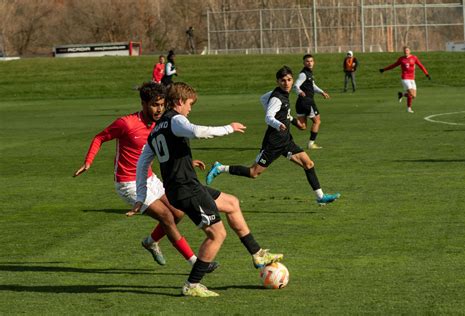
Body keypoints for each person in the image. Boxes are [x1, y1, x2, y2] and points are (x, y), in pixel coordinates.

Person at [133, 82, 283, 297]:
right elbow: (197, 131)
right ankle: (192, 284)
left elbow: (142, 163)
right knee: (216, 234)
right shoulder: (176, 120)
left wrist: (140, 195)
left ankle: (257, 254)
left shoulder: (156, 129)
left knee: (232, 203)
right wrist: (228, 128)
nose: (190, 109)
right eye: (189, 104)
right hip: (186, 190)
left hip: (184, 187)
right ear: (178, 102)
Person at [73, 82, 217, 272]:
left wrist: (186, 163)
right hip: (128, 183)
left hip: (150, 178)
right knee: (166, 217)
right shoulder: (126, 123)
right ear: (143, 103)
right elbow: (100, 137)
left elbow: (163, 151)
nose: (159, 109)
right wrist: (88, 161)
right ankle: (195, 263)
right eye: (154, 105)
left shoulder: (162, 123)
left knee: (178, 212)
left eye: (162, 104)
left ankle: (150, 242)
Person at [206, 66, 340, 206]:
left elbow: (263, 99)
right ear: (278, 81)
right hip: (273, 143)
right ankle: (220, 168)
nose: (286, 83)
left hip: (286, 140)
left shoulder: (277, 94)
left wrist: (290, 120)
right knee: (253, 173)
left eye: (289, 80)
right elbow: (268, 117)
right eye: (283, 80)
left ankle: (320, 197)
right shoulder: (277, 98)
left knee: (308, 163)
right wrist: (278, 123)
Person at [293, 54, 330, 150]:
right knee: (317, 121)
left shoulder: (309, 74)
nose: (309, 63)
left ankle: (289, 119)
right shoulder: (303, 74)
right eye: (307, 61)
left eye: (311, 61)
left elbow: (312, 86)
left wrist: (322, 92)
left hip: (300, 102)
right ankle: (311, 144)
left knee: (302, 127)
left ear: (314, 62)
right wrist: (300, 91)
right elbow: (295, 86)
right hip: (307, 102)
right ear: (304, 63)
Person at [379, 46, 431, 113]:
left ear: (409, 51)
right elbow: (393, 65)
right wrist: (384, 69)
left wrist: (427, 74)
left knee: (414, 96)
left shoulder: (414, 58)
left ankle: (402, 94)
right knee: (411, 93)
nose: (405, 51)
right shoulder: (401, 59)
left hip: (412, 78)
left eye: (407, 50)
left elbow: (421, 66)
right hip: (405, 78)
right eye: (404, 50)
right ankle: (409, 108)